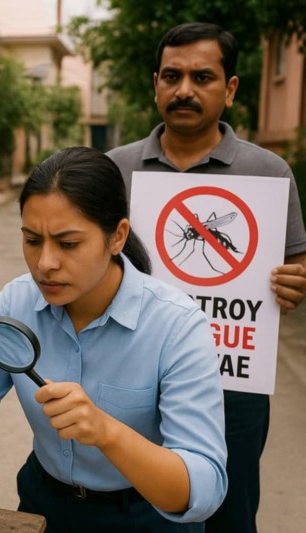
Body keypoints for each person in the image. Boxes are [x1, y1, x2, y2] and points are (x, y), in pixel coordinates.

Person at [0, 147, 228, 531]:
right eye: (32, 240)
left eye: (68, 244)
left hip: (145, 517)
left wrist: (106, 432)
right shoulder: (17, 303)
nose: (45, 264)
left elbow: (202, 486)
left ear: (117, 236)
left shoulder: (177, 325)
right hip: (43, 505)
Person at [107, 22, 306, 532]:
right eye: (172, 76)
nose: (185, 90)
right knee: (136, 508)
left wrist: (295, 282)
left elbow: (297, 262)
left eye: (202, 77)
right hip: (133, 375)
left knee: (230, 511)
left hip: (233, 383)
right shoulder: (113, 169)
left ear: (230, 89)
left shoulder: (269, 172)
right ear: (156, 84)